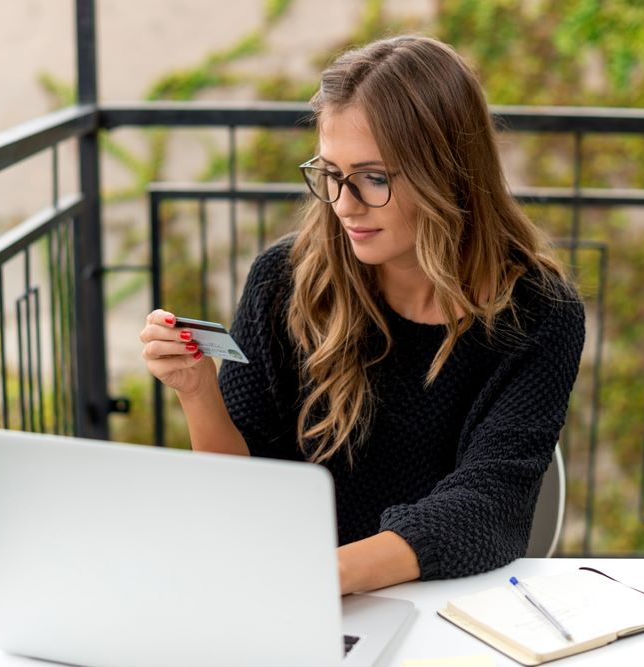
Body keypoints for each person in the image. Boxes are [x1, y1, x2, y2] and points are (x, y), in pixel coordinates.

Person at [139, 35, 584, 595]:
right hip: (295, 598)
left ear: (446, 173)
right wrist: (198, 391)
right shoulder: (284, 282)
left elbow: (490, 504)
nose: (345, 204)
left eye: (374, 178)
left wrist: (322, 578)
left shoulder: (539, 313)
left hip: (435, 607)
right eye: (331, 174)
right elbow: (244, 495)